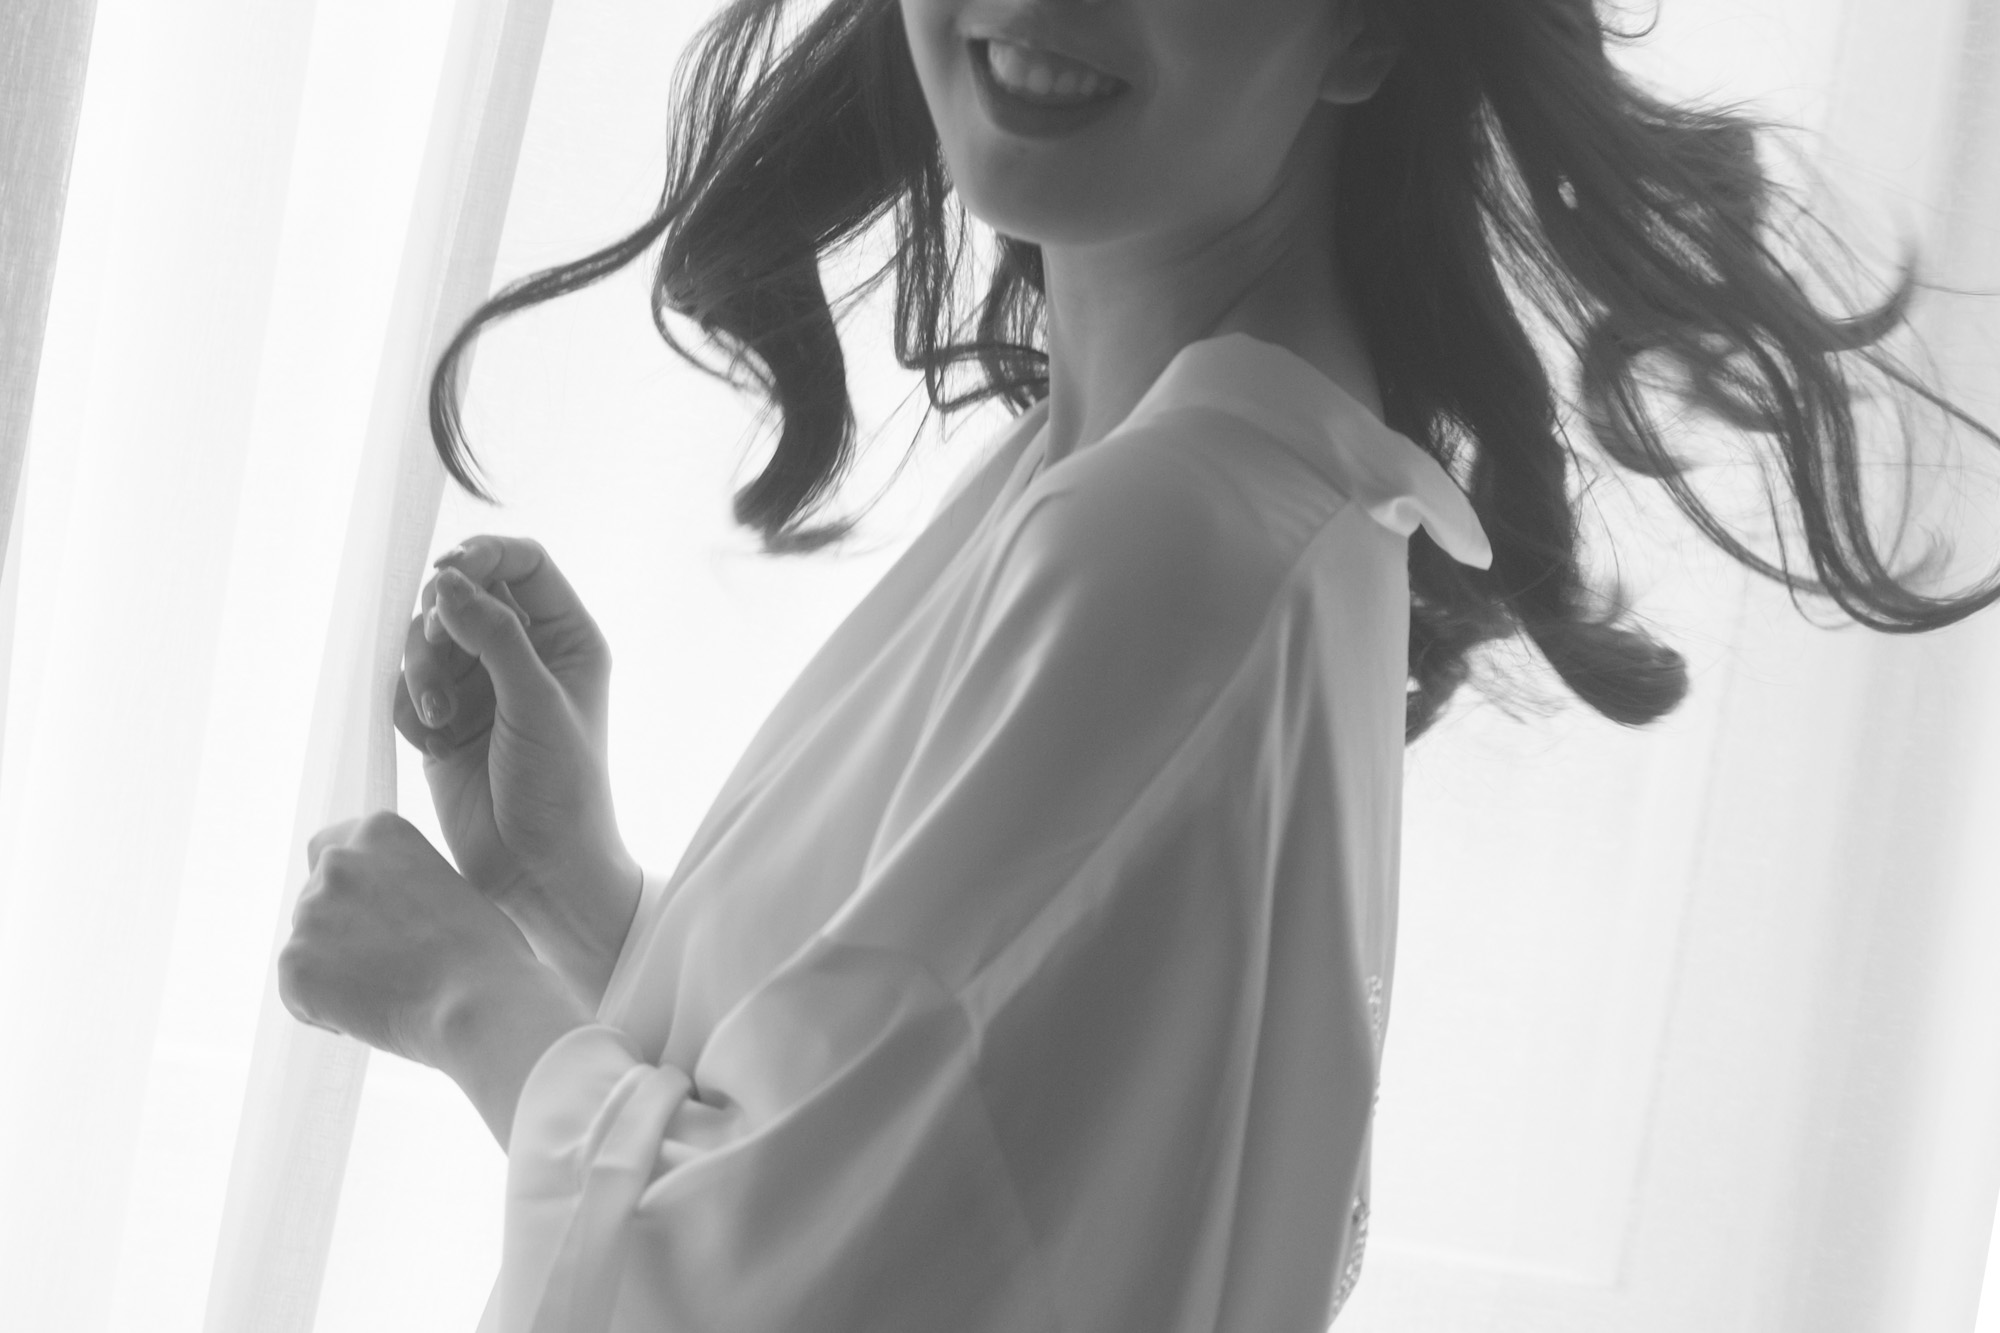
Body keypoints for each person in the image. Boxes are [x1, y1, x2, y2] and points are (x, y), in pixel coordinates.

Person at [276, 0, 2000, 1328]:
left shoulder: (1175, 534)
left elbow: (769, 1290)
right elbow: (946, 1158)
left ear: (1368, 31)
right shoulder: (1159, 481)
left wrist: (460, 988)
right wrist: (577, 894)